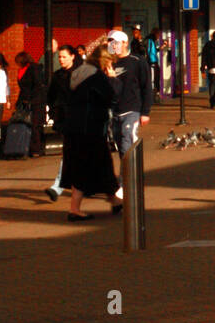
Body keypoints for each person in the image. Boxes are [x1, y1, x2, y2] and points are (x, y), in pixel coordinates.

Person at [61, 41, 122, 221]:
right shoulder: (97, 77)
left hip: (74, 127)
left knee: (100, 164)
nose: (112, 65)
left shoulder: (78, 73)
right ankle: (74, 210)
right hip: (90, 128)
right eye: (110, 62)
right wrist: (112, 79)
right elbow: (112, 97)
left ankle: (115, 200)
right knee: (87, 166)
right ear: (105, 61)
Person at [107, 28, 151, 160]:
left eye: (116, 42)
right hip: (115, 111)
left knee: (128, 143)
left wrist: (145, 112)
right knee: (120, 146)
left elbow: (146, 87)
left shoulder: (137, 61)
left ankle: (128, 178)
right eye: (111, 43)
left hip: (132, 109)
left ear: (125, 43)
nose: (113, 46)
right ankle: (128, 176)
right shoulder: (109, 63)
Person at [45, 44, 76, 201]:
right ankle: (59, 186)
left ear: (72, 56)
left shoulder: (81, 74)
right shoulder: (57, 76)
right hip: (64, 120)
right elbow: (50, 96)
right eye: (59, 57)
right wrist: (53, 112)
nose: (61, 59)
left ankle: (58, 186)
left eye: (64, 56)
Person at [15, 50, 47, 156]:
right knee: (25, 124)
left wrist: (30, 99)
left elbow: (38, 85)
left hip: (36, 101)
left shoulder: (33, 68)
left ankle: (36, 149)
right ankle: (26, 147)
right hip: (25, 101)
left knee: (35, 125)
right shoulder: (22, 70)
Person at [146, 28, 161, 100]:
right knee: (153, 78)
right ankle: (152, 95)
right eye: (158, 34)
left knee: (156, 77)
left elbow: (153, 51)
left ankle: (156, 93)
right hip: (152, 62)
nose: (159, 36)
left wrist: (161, 48)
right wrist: (151, 62)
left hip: (154, 61)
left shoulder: (152, 41)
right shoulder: (150, 40)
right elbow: (149, 52)